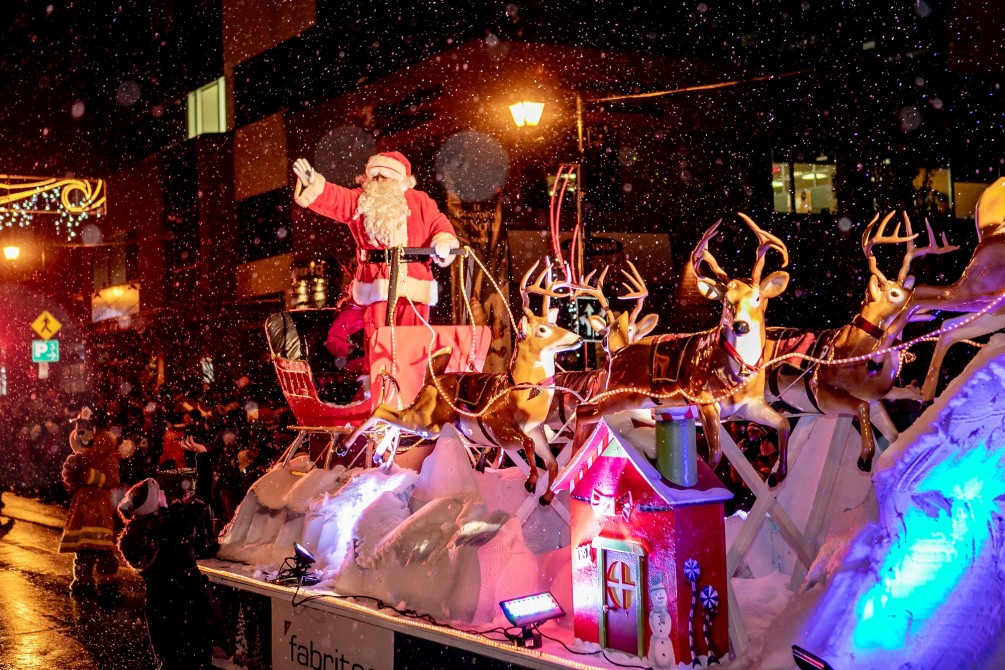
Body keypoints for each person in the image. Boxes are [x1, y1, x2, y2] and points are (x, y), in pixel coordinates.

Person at [292, 151, 461, 346]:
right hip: (376, 283)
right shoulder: (362, 200)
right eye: (375, 176)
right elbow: (337, 199)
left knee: (414, 343)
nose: (379, 181)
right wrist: (314, 184)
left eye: (385, 176)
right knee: (379, 342)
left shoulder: (420, 201)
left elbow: (439, 224)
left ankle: (410, 376)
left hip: (416, 284)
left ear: (399, 180)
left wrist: (444, 241)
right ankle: (381, 375)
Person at [117, 477, 222, 670]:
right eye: (160, 493)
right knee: (193, 664)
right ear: (155, 504)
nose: (164, 493)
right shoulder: (173, 525)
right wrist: (203, 455)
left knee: (168, 662)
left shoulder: (142, 532)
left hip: (159, 611)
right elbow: (203, 497)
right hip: (187, 610)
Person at [59, 406, 133, 601]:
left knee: (103, 550)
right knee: (84, 551)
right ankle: (83, 580)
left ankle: (107, 581)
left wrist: (87, 476)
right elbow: (70, 483)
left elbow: (112, 480)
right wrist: (72, 474)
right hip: (82, 508)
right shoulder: (78, 458)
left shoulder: (106, 456)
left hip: (100, 508)